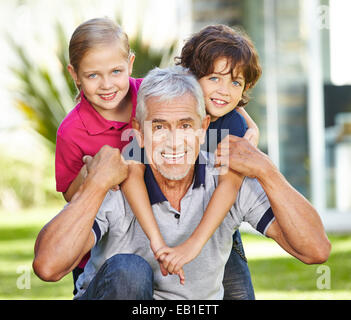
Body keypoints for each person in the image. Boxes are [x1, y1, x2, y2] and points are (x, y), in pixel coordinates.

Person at [33, 66, 331, 300]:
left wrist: (268, 171)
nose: (174, 142)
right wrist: (94, 186)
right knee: (129, 271)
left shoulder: (224, 177)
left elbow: (315, 250)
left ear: (203, 129)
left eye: (185, 126)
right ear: (138, 132)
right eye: (159, 126)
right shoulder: (121, 183)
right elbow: (48, 267)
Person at [55, 17, 258, 295]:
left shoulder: (148, 94)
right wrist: (93, 176)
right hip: (111, 230)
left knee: (235, 288)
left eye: (116, 72)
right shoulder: (73, 130)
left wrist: (250, 124)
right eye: (93, 75)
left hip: (200, 221)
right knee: (116, 279)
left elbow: (208, 100)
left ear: (129, 64)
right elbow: (71, 195)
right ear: (75, 74)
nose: (107, 85)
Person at [154, 25, 262, 296]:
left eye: (235, 82)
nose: (224, 90)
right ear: (190, 75)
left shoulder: (233, 125)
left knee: (239, 293)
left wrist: (194, 244)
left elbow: (229, 189)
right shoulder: (166, 105)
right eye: (214, 78)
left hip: (217, 226)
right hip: (164, 220)